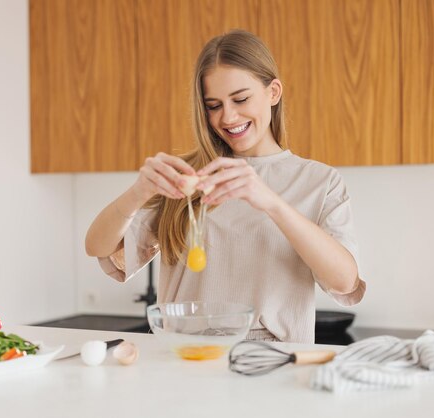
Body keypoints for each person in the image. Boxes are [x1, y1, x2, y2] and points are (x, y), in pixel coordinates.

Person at [85, 29, 365, 343]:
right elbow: (98, 247)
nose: (228, 117)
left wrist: (269, 201)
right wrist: (138, 192)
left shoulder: (319, 181)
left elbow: (344, 281)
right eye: (213, 105)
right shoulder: (189, 175)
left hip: (268, 363)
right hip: (181, 357)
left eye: (241, 99)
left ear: (273, 92)